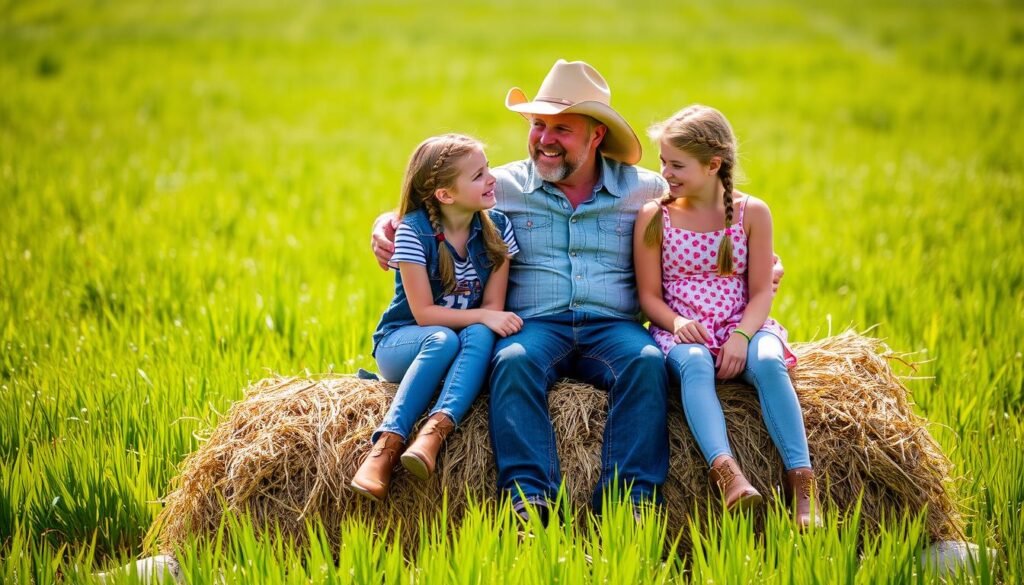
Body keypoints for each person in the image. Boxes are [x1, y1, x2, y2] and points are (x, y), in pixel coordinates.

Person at [373, 60, 670, 520]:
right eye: (537, 125)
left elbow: (709, 220)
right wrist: (384, 223)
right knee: (510, 362)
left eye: (562, 129)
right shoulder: (500, 186)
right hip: (536, 325)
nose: (545, 139)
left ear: (596, 136)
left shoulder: (646, 190)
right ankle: (529, 500)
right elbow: (432, 200)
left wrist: (760, 262)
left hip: (612, 327)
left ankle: (629, 502)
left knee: (648, 363)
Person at [633, 105, 820, 528]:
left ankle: (803, 483)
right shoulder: (654, 216)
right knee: (696, 363)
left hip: (746, 323)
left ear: (713, 164)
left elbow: (759, 294)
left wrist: (741, 336)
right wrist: (678, 323)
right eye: (663, 161)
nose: (665, 172)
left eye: (677, 164)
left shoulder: (753, 212)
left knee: (770, 364)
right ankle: (728, 473)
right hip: (680, 329)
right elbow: (648, 297)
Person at [351, 133, 522, 502]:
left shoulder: (498, 229)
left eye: (487, 168)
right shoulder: (413, 231)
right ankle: (386, 446)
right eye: (478, 175)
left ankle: (432, 435)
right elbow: (424, 314)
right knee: (444, 337)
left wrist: (486, 319)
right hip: (405, 343)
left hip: (462, 345)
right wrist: (485, 318)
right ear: (445, 195)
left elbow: (492, 307)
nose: (492, 178)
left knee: (479, 331)